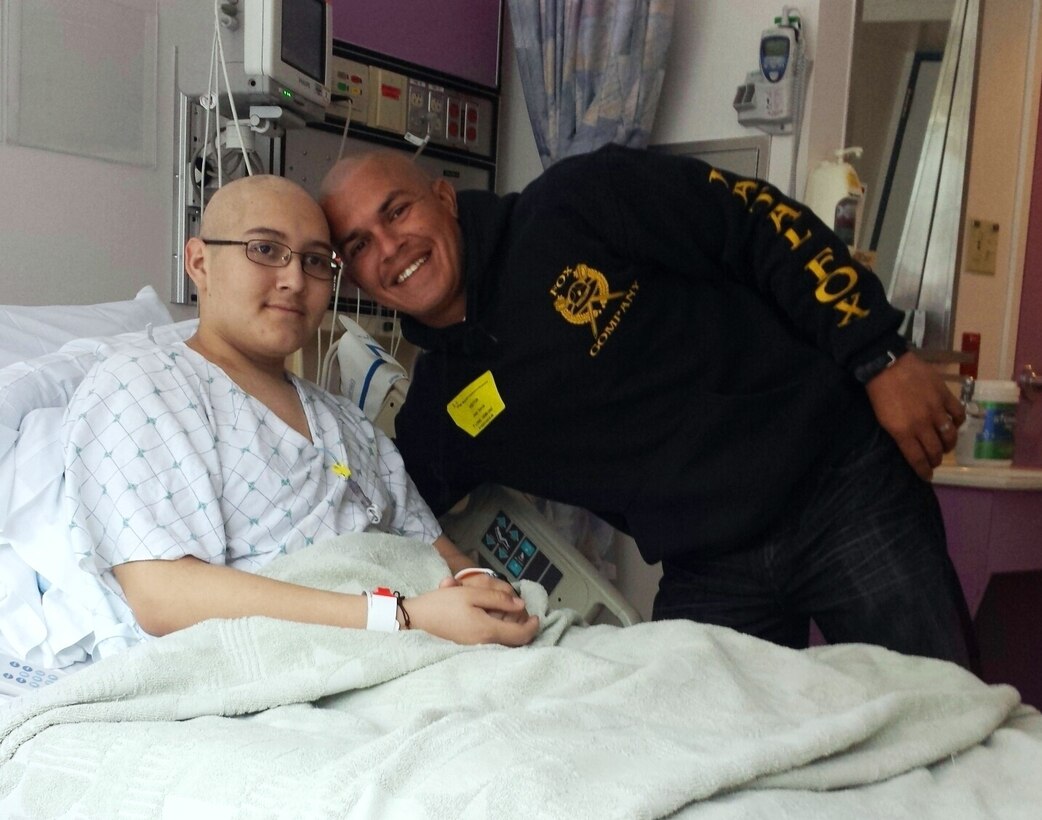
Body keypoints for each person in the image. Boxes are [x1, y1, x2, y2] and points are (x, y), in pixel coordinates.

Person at [319, 145, 977, 668]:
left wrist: (878, 353)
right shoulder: (442, 407)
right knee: (702, 765)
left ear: (443, 199)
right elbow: (393, 503)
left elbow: (757, 221)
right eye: (358, 246)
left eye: (396, 211)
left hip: (839, 492)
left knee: (944, 723)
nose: (388, 247)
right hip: (710, 565)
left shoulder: (577, 205)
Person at [62, 174, 539, 653]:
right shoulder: (143, 387)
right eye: (265, 250)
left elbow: (437, 551)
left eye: (315, 261)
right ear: (199, 263)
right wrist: (403, 617)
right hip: (313, 662)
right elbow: (164, 596)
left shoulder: (345, 422)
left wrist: (477, 585)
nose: (294, 280)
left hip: (438, 646)